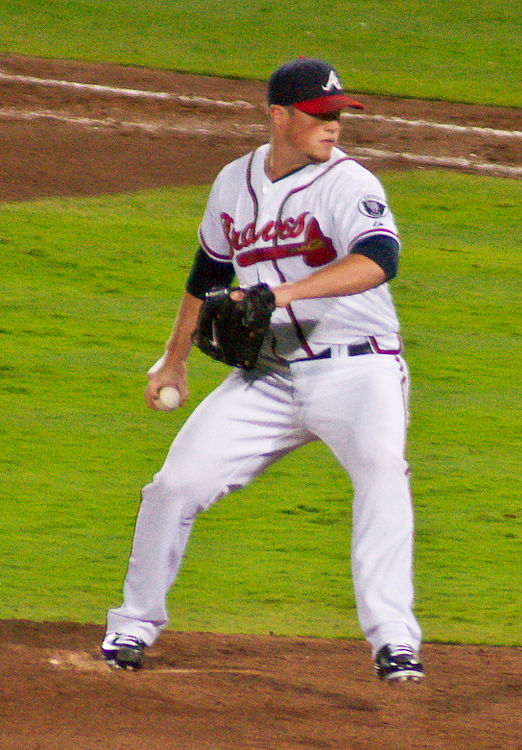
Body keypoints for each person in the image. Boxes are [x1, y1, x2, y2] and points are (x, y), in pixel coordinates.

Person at [101, 57, 423, 682]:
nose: (334, 126)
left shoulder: (349, 184)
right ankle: (133, 626)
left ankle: (394, 642)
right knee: (173, 486)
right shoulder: (233, 182)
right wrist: (175, 358)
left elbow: (380, 259)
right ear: (279, 115)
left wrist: (280, 295)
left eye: (339, 115)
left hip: (357, 371)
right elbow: (208, 272)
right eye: (319, 115)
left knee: (383, 473)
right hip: (269, 377)